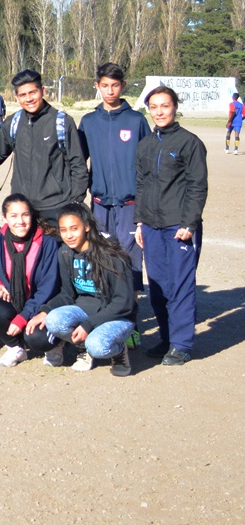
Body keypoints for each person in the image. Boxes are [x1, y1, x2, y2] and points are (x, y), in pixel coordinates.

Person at [135, 85, 208, 366]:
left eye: (165, 106)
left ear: (175, 107)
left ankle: (181, 345)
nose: (159, 112)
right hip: (151, 226)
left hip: (178, 226)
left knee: (180, 286)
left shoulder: (190, 143)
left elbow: (197, 186)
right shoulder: (145, 144)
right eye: (154, 107)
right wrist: (139, 222)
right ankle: (166, 338)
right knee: (157, 286)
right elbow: (140, 184)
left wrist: (189, 223)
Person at [25, 203, 137, 376]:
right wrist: (45, 311)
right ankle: (82, 348)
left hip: (117, 316)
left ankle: (118, 350)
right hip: (85, 309)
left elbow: (124, 302)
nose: (69, 235)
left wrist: (88, 325)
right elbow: (67, 294)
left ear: (86, 226)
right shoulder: (65, 253)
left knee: (97, 345)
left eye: (74, 228)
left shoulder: (111, 255)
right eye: (63, 230)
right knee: (53, 320)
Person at [77, 62, 151, 293]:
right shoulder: (88, 122)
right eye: (105, 85)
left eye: (115, 85)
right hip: (100, 205)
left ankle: (130, 315)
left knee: (129, 259)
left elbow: (148, 164)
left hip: (129, 205)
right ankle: (105, 307)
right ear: (97, 86)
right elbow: (77, 162)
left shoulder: (136, 121)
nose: (110, 91)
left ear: (123, 86)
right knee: (101, 257)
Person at [0, 69, 89, 224]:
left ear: (42, 91)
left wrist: (76, 201)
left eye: (33, 92)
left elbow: (77, 164)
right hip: (22, 209)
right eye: (23, 95)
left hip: (56, 206)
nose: (29, 99)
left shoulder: (62, 122)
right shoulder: (13, 123)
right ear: (16, 97)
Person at [0, 194, 61, 367]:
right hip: (14, 300)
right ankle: (15, 348)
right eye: (14, 216)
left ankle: (56, 346)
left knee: (36, 339)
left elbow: (48, 288)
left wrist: (23, 318)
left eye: (25, 215)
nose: (20, 221)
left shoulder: (47, 243)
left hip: (41, 304)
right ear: (4, 218)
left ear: (32, 216)